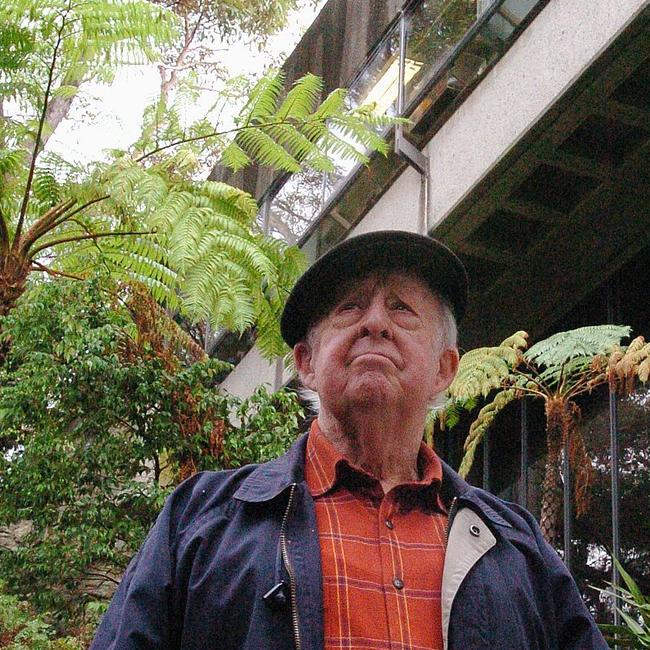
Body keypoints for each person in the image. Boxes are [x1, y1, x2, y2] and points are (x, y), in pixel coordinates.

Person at [91, 231, 608, 649]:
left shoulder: (514, 544)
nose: (376, 323)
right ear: (306, 364)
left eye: (403, 308)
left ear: (444, 370)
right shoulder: (201, 520)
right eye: (350, 308)